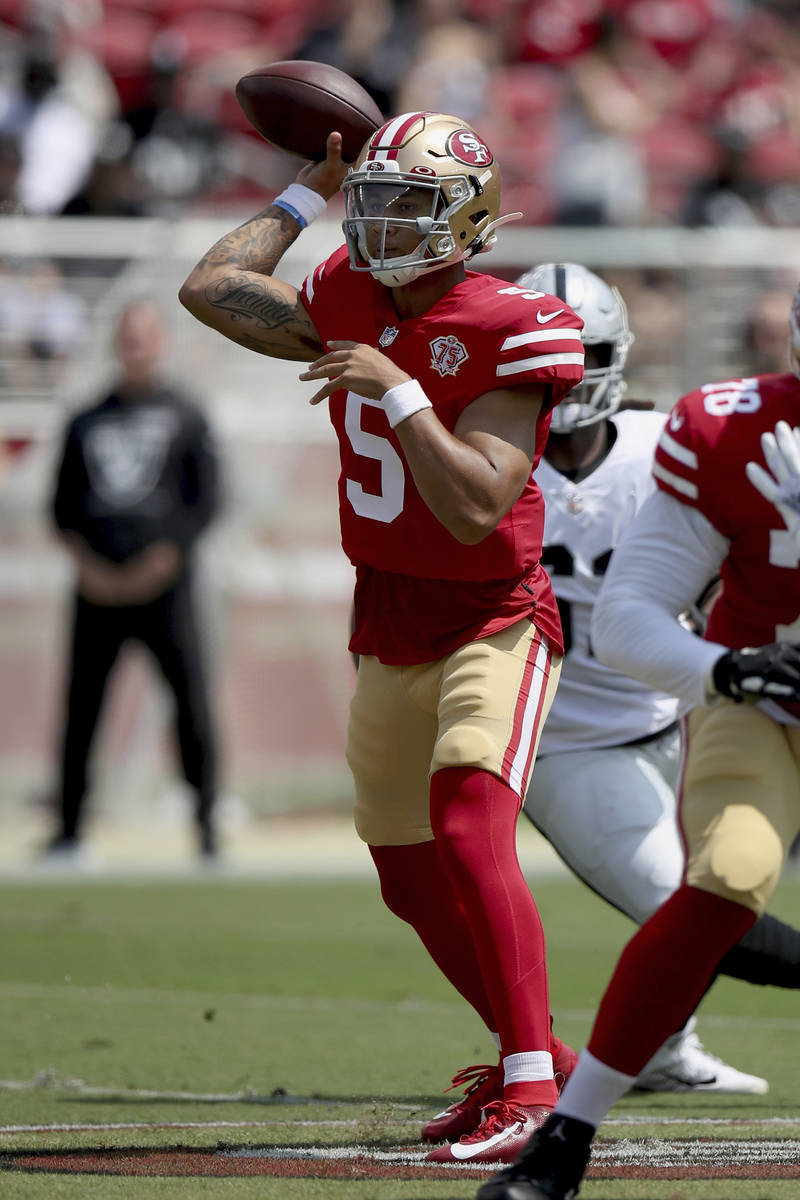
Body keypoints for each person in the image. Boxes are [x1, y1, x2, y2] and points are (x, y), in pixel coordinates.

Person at [179, 111, 584, 1164]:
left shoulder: (507, 321)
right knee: (405, 873)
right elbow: (209, 287)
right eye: (371, 201)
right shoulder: (348, 291)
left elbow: (477, 507)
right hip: (387, 619)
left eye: (406, 204)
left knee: (465, 826)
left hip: (490, 619)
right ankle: (533, 1054)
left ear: (469, 219)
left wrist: (401, 392)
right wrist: (306, 188)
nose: (380, 222)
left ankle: (534, 1095)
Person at [477, 283, 800, 1199]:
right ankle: (567, 1139)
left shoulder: (660, 438)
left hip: (670, 714)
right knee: (721, 884)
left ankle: (668, 1050)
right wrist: (731, 670)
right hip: (704, 711)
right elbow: (627, 619)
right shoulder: (726, 435)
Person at [48, 298, 222, 863]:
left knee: (191, 705)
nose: (134, 349)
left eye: (143, 338)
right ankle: (69, 834)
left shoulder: (188, 415)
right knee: (81, 710)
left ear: (161, 343)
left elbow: (207, 500)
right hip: (96, 591)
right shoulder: (86, 419)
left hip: (167, 591)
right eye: (126, 339)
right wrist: (90, 568)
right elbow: (62, 506)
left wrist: (164, 559)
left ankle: (206, 831)